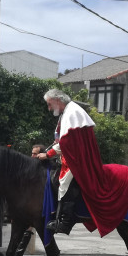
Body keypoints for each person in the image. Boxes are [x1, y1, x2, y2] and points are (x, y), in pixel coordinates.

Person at [37, 90, 84, 235]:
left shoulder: (71, 112)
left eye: (50, 104)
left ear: (58, 100)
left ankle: (65, 222)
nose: (49, 108)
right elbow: (61, 140)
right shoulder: (66, 113)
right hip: (67, 158)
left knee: (63, 182)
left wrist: (47, 154)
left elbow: (66, 142)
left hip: (75, 160)